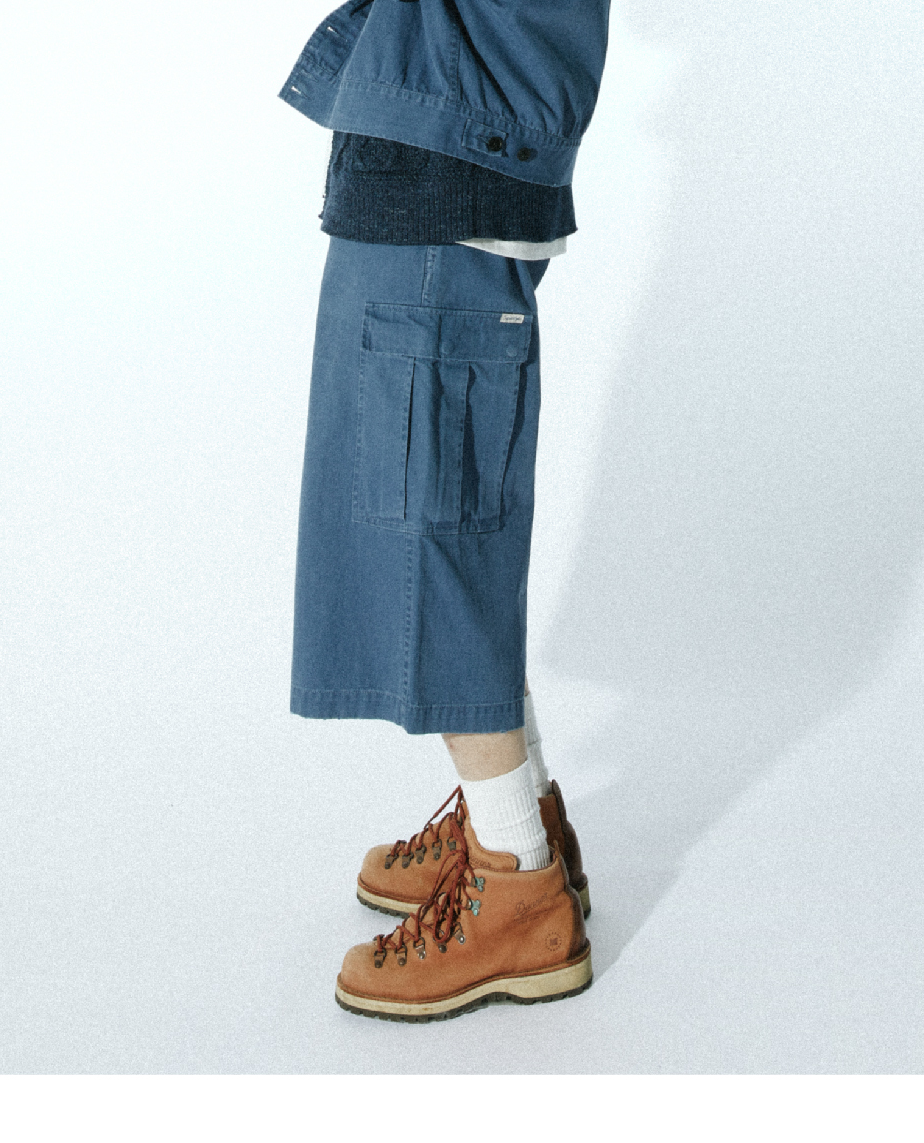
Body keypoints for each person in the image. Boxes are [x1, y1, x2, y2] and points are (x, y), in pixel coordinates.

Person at [279, 0, 612, 1021]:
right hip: (436, 141)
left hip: (449, 153)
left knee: (429, 527)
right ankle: (515, 818)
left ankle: (515, 887)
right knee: (434, 517)